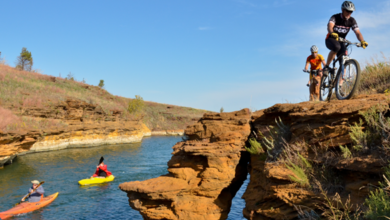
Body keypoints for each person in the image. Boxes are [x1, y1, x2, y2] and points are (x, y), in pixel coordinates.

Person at [324, 1, 368, 70]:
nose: (349, 13)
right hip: (331, 39)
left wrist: (362, 41)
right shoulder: (335, 17)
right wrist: (332, 33)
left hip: (341, 41)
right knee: (336, 47)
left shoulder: (352, 20)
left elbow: (357, 32)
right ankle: (326, 66)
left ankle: (341, 80)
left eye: (351, 11)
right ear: (342, 10)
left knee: (344, 61)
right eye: (347, 11)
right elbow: (330, 26)